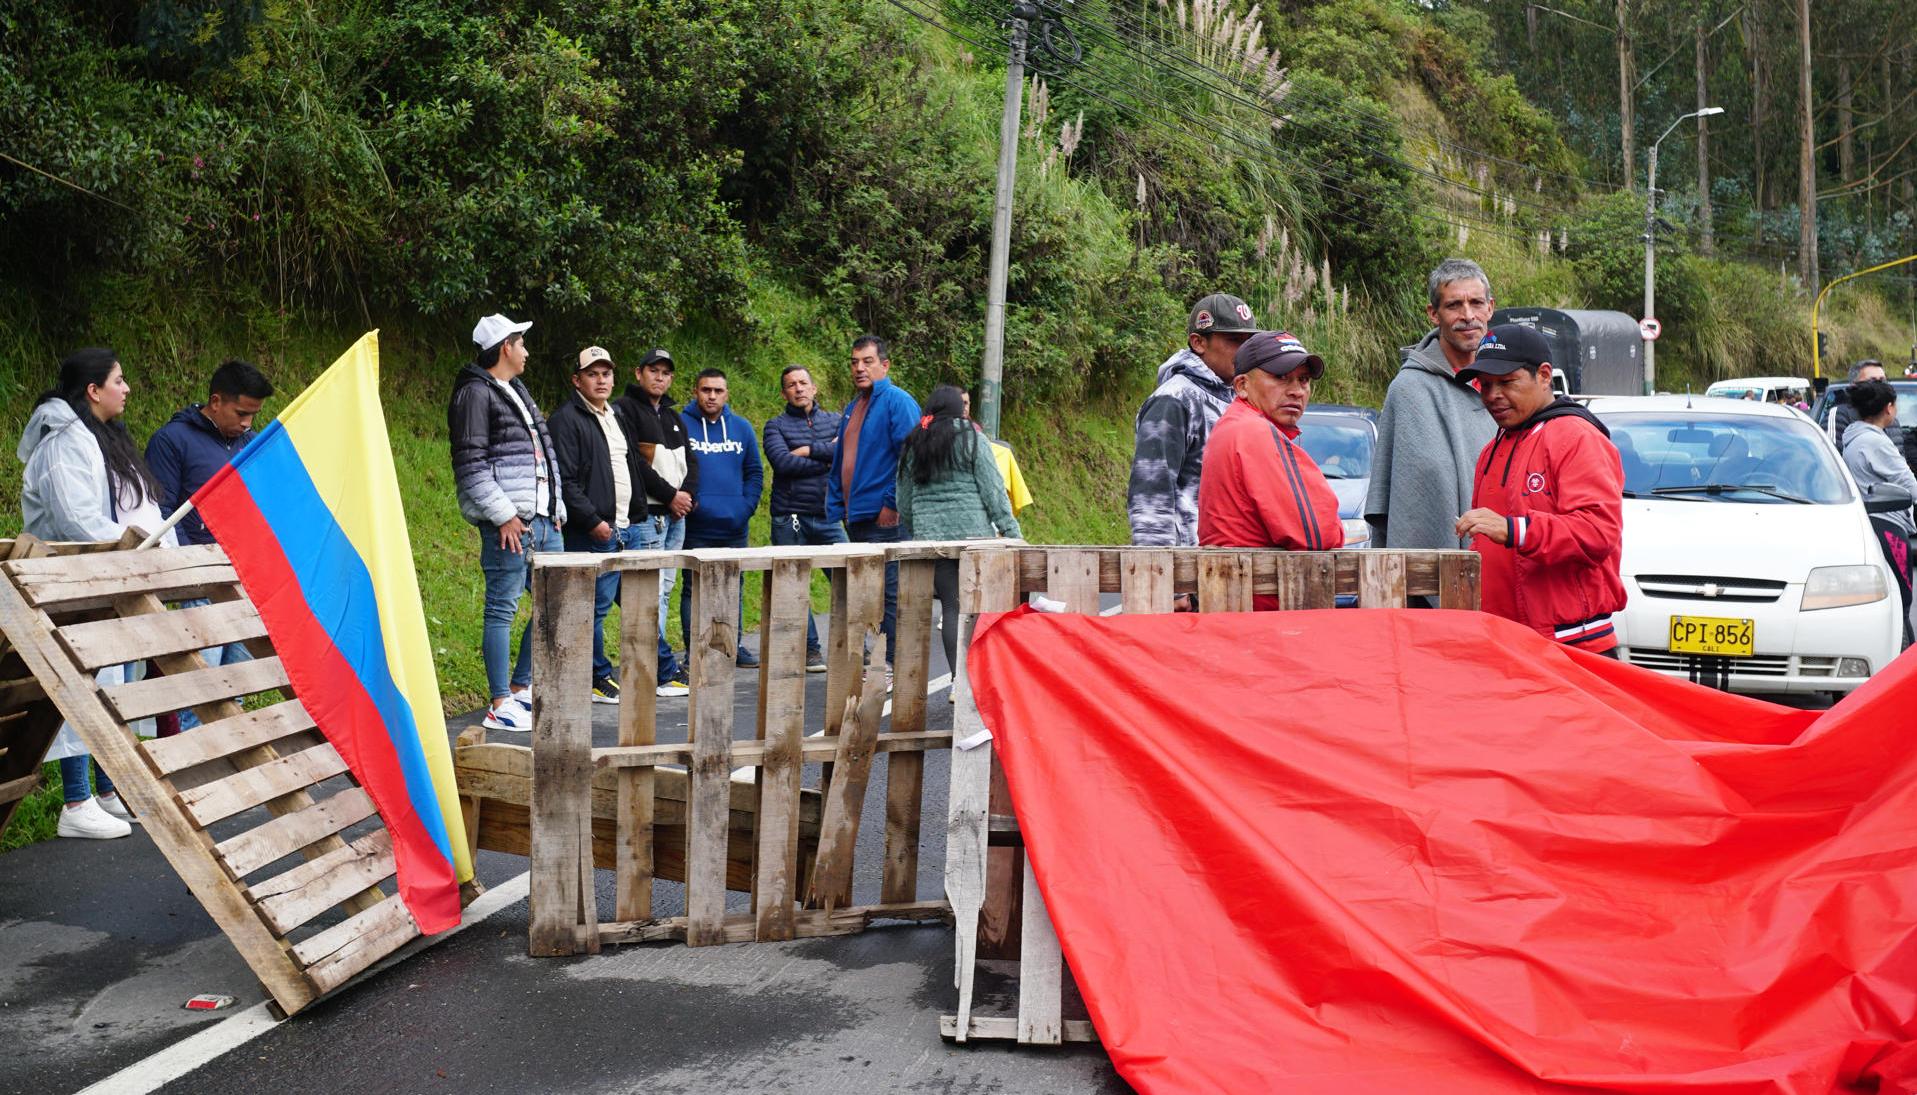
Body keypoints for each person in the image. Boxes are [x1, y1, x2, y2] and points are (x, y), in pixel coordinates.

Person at [18, 347, 178, 838]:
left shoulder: (95, 435)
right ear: (93, 390)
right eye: (119, 379)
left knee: (108, 687)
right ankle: (75, 801)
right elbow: (74, 519)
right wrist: (133, 548)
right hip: (70, 578)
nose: (127, 388)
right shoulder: (63, 440)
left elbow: (126, 506)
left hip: (99, 575)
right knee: (80, 691)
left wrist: (144, 546)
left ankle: (103, 792)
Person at [1452, 325, 1626, 654]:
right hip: (1503, 640)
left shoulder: (1575, 435)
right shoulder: (1492, 449)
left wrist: (1513, 529)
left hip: (1570, 643)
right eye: (1485, 385)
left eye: (1506, 382)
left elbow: (1598, 531)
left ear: (1544, 376)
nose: (1492, 395)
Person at [449, 313, 566, 732]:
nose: (527, 351)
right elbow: (470, 464)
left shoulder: (515, 388)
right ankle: (500, 700)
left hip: (544, 520)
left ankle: (521, 688)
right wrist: (504, 515)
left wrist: (555, 509)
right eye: (522, 343)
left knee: (554, 605)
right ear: (505, 347)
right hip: (511, 523)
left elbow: (541, 455)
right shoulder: (475, 395)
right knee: (502, 607)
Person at [146, 358, 274, 693]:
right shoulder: (171, 440)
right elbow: (161, 510)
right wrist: (193, 565)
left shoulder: (253, 444)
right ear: (215, 402)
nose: (247, 423)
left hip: (248, 577)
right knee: (203, 686)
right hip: (200, 578)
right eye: (241, 413)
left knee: (242, 681)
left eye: (253, 416)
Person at [1196, 332, 1345, 609]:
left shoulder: (1235, 425)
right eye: (1280, 377)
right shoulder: (1253, 432)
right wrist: (1335, 528)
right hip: (1262, 615)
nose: (1296, 390)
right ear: (1242, 385)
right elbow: (1317, 534)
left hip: (1235, 601)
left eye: (1303, 380)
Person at [1364, 258, 1498, 550]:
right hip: (1438, 563)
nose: (1467, 315)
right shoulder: (1409, 389)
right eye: (1453, 305)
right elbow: (1409, 497)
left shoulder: (1505, 383)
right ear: (1433, 314)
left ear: (1490, 308)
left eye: (1476, 303)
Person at [897, 385, 1022, 674]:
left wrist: (919, 529)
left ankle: (959, 681)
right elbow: (993, 491)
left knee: (952, 608)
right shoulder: (972, 439)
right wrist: (1011, 531)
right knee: (978, 607)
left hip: (932, 540)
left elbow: (903, 499)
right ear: (959, 409)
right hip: (974, 537)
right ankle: (980, 678)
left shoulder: (914, 442)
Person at [548, 346, 645, 704]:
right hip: (595, 532)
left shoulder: (615, 414)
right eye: (592, 373)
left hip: (625, 527)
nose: (601, 379)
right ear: (577, 380)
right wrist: (593, 522)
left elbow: (629, 466)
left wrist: (635, 515)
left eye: (606, 373)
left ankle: (640, 669)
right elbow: (566, 479)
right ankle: (594, 675)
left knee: (633, 603)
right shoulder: (566, 419)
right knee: (592, 608)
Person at [1128, 293, 1258, 550]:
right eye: (1234, 340)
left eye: (1248, 342)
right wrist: (1165, 580)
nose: (1243, 351)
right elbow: (1151, 496)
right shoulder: (1174, 400)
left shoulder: (1235, 396)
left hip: (1225, 566)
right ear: (1198, 342)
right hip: (1188, 570)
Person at [826, 335, 920, 671]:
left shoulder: (898, 401)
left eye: (867, 361)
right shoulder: (854, 405)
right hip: (857, 518)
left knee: (891, 596)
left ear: (885, 364)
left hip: (886, 520)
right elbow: (843, 459)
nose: (859, 368)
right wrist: (837, 505)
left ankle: (894, 664)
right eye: (854, 362)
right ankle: (879, 661)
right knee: (870, 595)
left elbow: (911, 458)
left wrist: (890, 505)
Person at [614, 348, 696, 697]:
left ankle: (655, 669)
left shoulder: (674, 416)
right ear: (638, 373)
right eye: (653, 370)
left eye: (665, 372)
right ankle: (654, 671)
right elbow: (634, 463)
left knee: (663, 590)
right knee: (646, 593)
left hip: (676, 517)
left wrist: (687, 496)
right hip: (647, 517)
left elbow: (690, 461)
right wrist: (669, 496)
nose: (659, 377)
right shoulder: (624, 410)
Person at [762, 364, 844, 671]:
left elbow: (846, 454)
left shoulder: (836, 421)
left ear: (814, 388)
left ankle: (857, 646)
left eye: (803, 383)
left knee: (848, 581)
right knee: (792, 588)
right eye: (791, 385)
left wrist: (808, 449)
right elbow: (782, 464)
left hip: (827, 516)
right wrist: (826, 457)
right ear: (784, 393)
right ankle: (809, 650)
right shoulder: (775, 426)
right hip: (789, 517)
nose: (798, 388)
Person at [681, 367, 763, 666]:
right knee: (695, 589)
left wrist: (745, 508)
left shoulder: (741, 428)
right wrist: (694, 505)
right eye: (706, 390)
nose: (712, 396)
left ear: (727, 394)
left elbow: (754, 472)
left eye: (718, 391)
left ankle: (733, 645)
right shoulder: (681, 425)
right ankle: (694, 650)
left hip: (734, 525)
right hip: (696, 526)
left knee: (733, 587)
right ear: (696, 392)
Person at [1841, 379, 1915, 646]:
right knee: (1902, 602)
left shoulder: (1853, 437)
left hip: (1869, 525)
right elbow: (1909, 485)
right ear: (1889, 408)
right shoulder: (1875, 442)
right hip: (1888, 527)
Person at [960, 390, 1034, 516]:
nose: (964, 408)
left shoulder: (975, 428)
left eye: (966, 403)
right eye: (960, 403)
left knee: (1005, 450)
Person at [1834, 359, 1888, 451]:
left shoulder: (1890, 417)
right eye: (1872, 381)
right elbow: (1831, 459)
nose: (1879, 386)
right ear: (1854, 386)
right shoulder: (1838, 416)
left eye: (1882, 381)